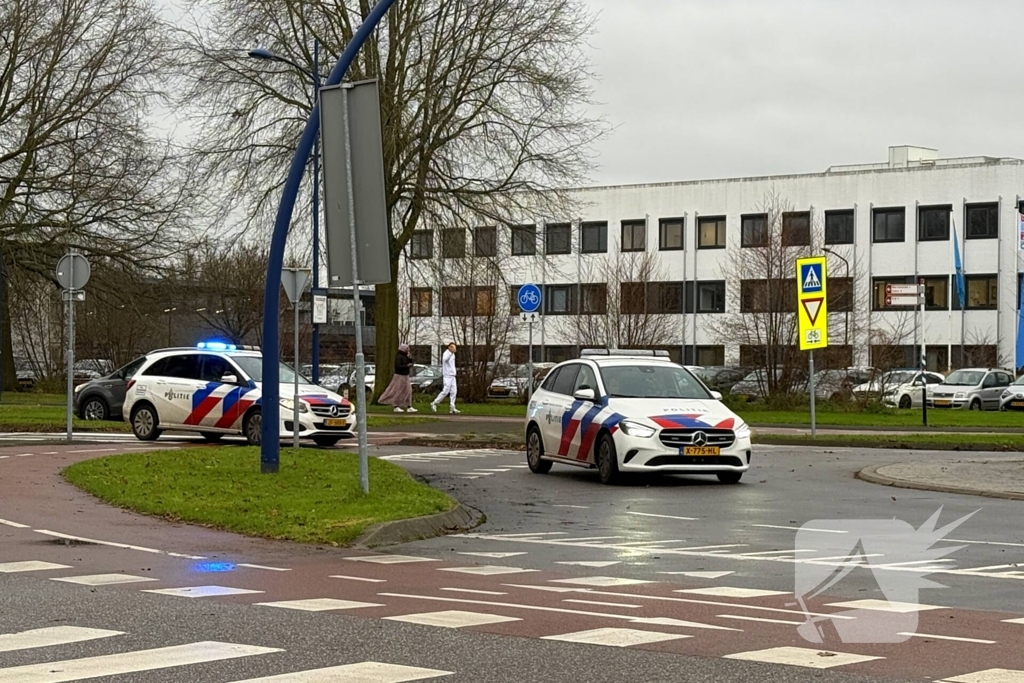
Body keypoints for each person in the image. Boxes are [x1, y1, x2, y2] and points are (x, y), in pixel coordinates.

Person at [378, 344, 417, 413]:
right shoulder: (399, 356)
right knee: (398, 390)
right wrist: (407, 366)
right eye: (407, 348)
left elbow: (409, 363)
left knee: (408, 390)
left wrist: (410, 359)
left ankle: (409, 406)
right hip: (399, 376)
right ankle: (396, 406)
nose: (408, 350)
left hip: (406, 375)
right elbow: (398, 366)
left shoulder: (406, 356)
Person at [431, 342, 460, 413]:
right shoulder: (446, 353)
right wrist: (450, 353)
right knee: (445, 391)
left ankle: (452, 407)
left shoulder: (453, 354)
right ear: (449, 347)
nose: (454, 349)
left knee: (454, 391)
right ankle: (434, 403)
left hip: (452, 376)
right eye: (453, 347)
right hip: (447, 376)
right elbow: (445, 360)